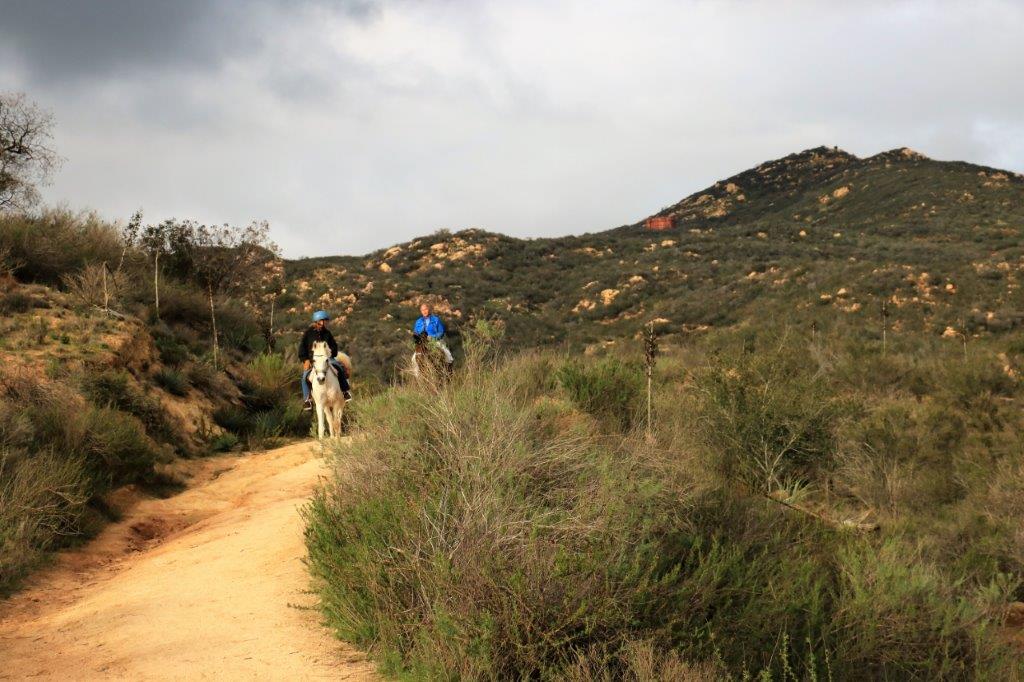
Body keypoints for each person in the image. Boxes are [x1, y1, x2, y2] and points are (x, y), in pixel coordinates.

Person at [298, 310, 352, 411]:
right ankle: (307, 400)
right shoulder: (308, 334)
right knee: (304, 377)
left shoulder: (328, 333)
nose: (322, 324)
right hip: (313, 361)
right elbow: (302, 348)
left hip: (328, 359)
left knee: (339, 368)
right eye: (320, 321)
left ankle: (345, 392)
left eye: (324, 321)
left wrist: (331, 352)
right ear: (315, 322)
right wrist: (305, 360)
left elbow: (334, 347)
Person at [413, 303, 454, 367]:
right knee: (414, 359)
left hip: (435, 341)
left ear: (429, 309)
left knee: (447, 355)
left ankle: (448, 369)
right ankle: (416, 372)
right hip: (422, 343)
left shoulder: (436, 319)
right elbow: (415, 333)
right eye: (422, 310)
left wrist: (433, 337)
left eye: (426, 309)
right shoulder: (418, 322)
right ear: (421, 311)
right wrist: (418, 338)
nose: (424, 311)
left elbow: (441, 332)